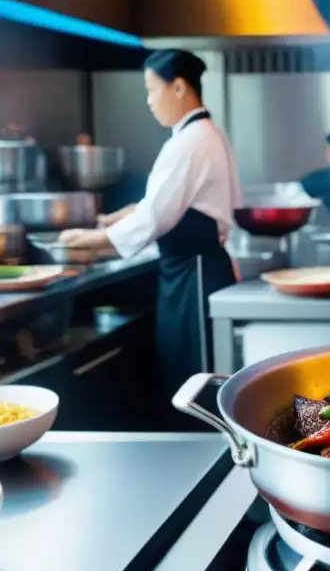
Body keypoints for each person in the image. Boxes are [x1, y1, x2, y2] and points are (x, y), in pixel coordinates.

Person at [58, 49, 240, 414]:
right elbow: (165, 205)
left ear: (178, 88)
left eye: (151, 90)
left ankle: (208, 454)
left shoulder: (191, 141)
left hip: (196, 275)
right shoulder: (200, 134)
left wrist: (87, 240)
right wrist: (125, 215)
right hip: (187, 271)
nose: (149, 101)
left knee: (197, 379)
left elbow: (154, 218)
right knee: (185, 372)